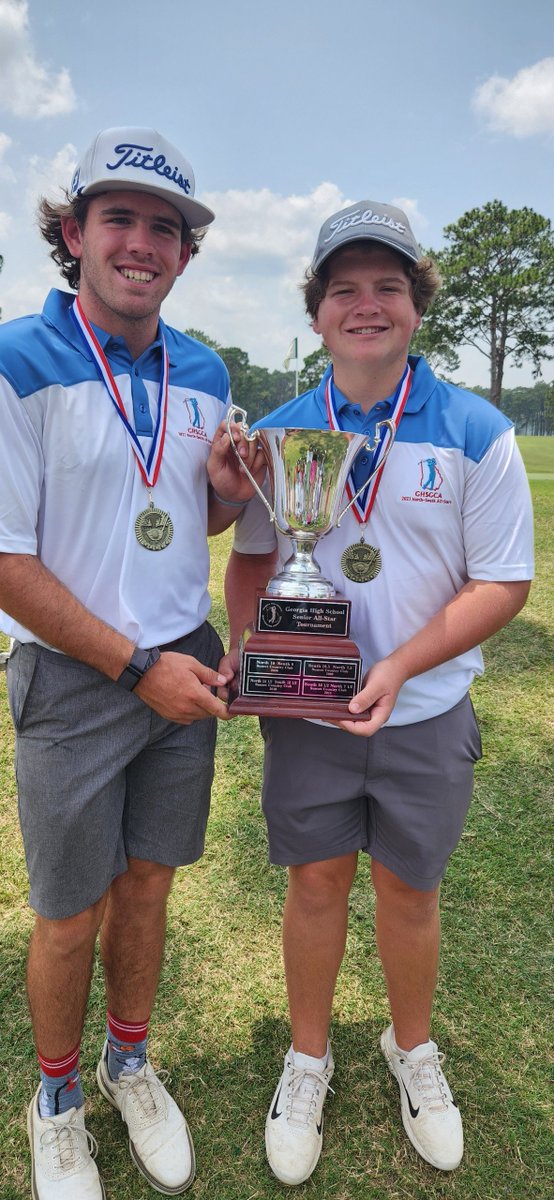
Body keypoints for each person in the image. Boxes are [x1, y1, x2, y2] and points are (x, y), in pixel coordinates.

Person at [223, 199, 534, 1186]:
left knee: (408, 888)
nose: (365, 304)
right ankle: (306, 1059)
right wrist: (248, 646)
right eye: (343, 288)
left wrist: (397, 668)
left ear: (415, 306)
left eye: (386, 286)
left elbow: (502, 582)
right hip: (309, 711)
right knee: (316, 882)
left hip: (425, 710)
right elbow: (253, 560)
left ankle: (412, 1050)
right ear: (316, 311)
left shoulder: (473, 430)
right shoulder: (276, 434)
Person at [0, 125, 264, 1200]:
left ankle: (128, 1062)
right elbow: (7, 560)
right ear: (74, 233)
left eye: (166, 227)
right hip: (76, 679)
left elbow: (171, 523)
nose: (142, 242)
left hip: (183, 667)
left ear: (187, 254)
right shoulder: (19, 359)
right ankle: (56, 1097)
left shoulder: (202, 368)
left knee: (148, 885)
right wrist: (132, 667)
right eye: (119, 218)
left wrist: (224, 498)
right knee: (70, 911)